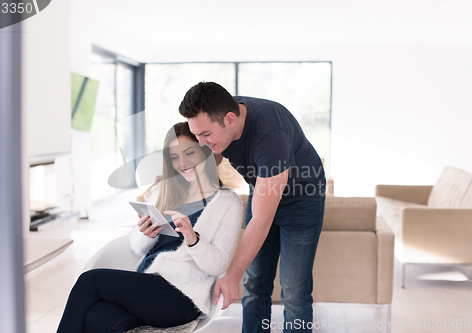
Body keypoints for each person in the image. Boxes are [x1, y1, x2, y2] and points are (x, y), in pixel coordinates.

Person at [56, 122, 243, 333]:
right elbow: (137, 247)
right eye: (174, 157)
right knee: (96, 317)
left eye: (189, 152)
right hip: (148, 287)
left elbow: (217, 265)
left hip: (183, 296)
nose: (182, 162)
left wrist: (193, 238)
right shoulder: (163, 191)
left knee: (90, 281)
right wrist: (145, 233)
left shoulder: (228, 203)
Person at [179, 82, 326, 333]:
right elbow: (206, 168)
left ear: (229, 120)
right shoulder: (221, 112)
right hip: (262, 190)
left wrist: (231, 275)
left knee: (293, 291)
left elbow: (261, 218)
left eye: (205, 135)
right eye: (197, 135)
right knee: (255, 284)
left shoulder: (270, 134)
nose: (202, 143)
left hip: (302, 200)